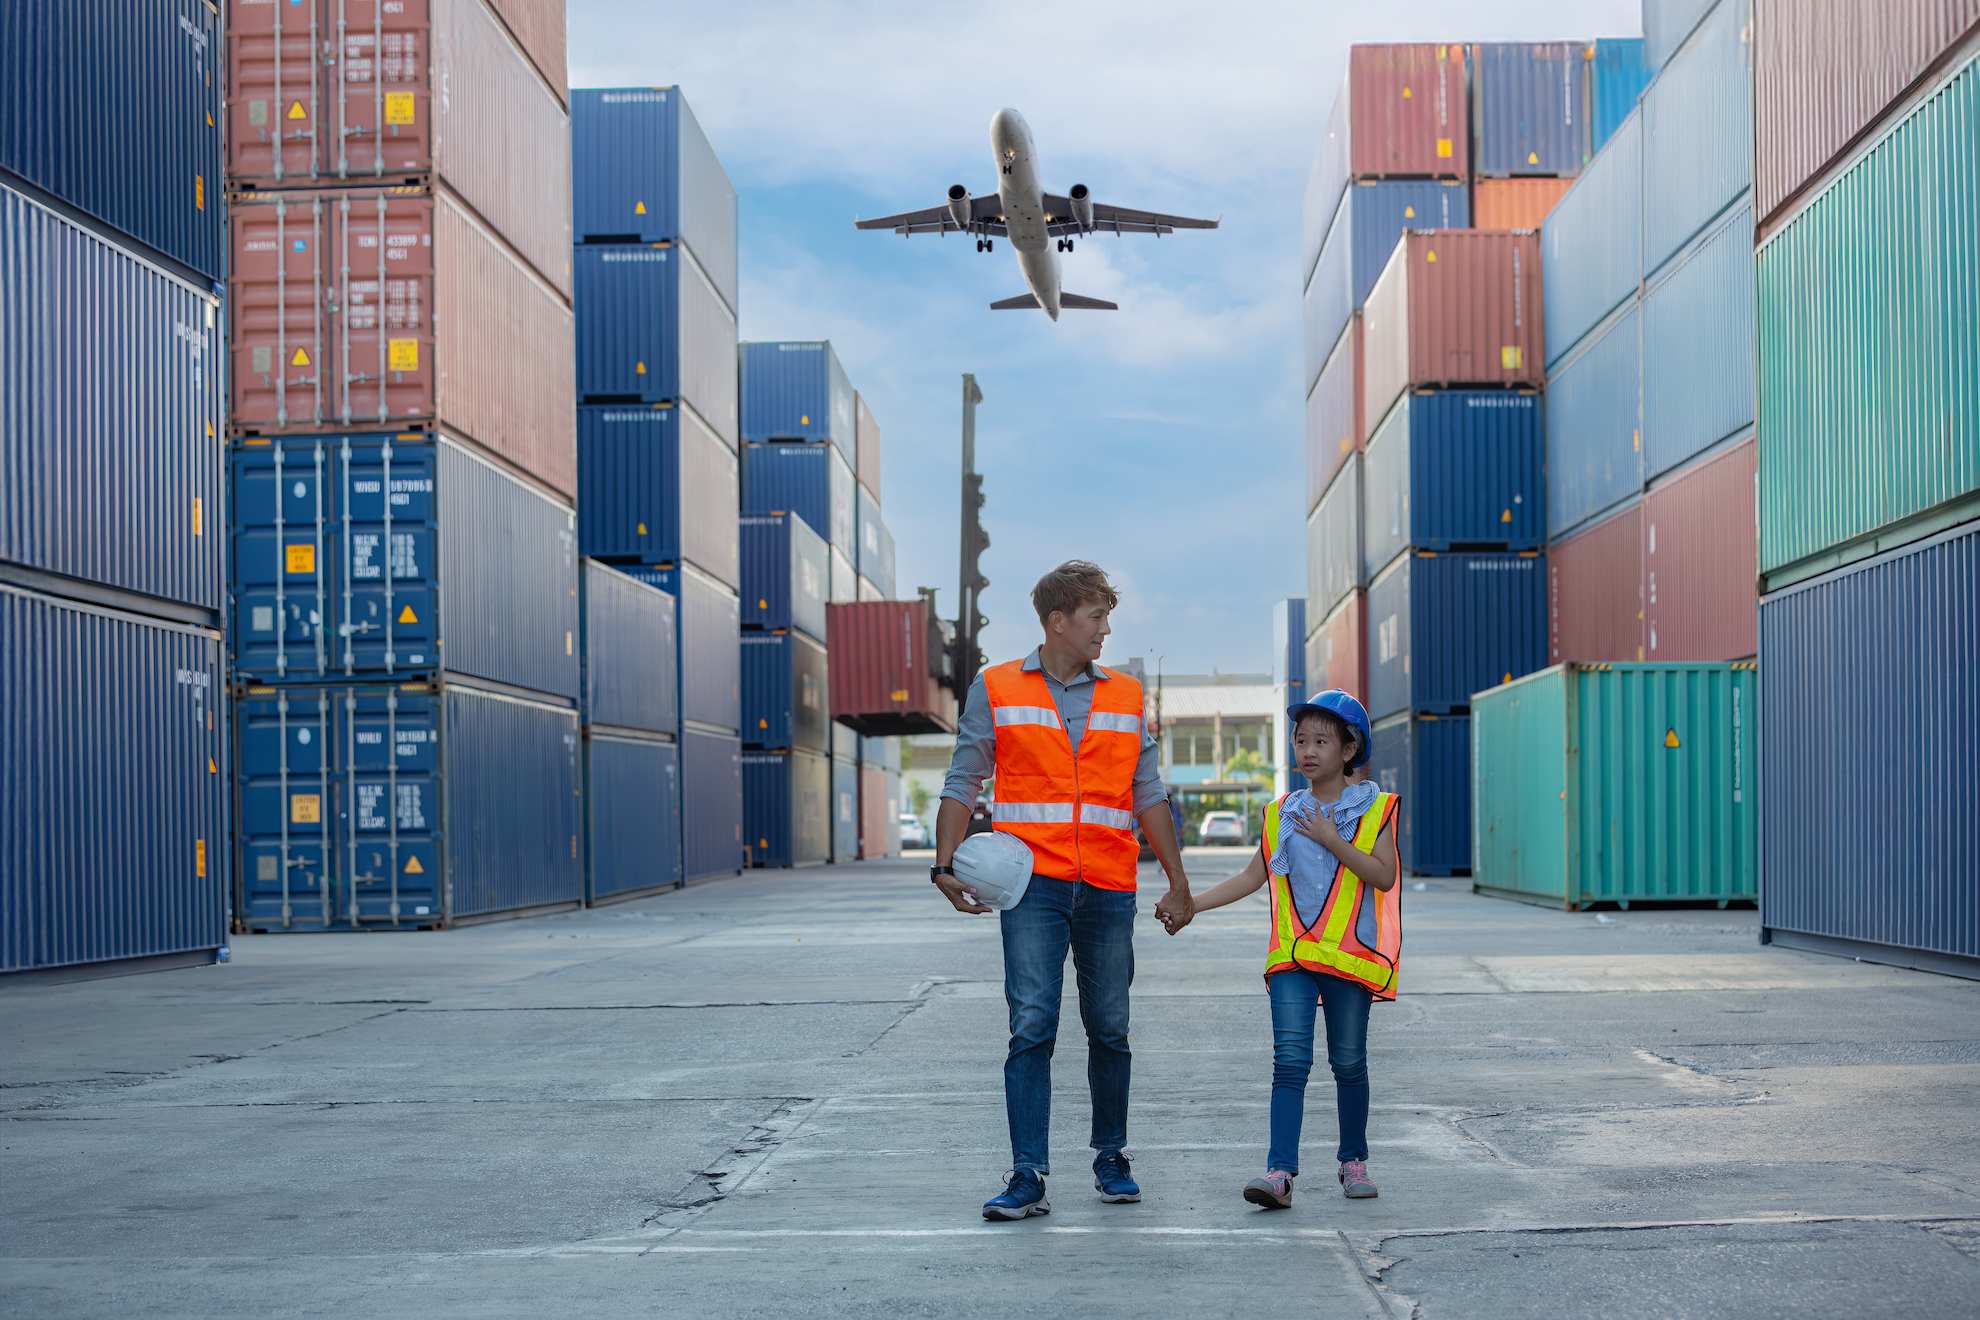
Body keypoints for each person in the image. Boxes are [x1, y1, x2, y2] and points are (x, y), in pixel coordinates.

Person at [930, 560, 1193, 1221]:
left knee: (1109, 1028)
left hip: (1107, 884)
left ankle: (1111, 1157)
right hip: (1031, 889)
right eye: (1096, 617)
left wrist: (1178, 881)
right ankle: (1027, 1175)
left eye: (1107, 617)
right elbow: (964, 780)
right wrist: (942, 865)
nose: (1106, 630)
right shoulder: (995, 687)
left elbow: (1148, 794)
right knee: (1032, 1027)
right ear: (1057, 621)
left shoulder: (1127, 696)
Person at [1163, 690, 1401, 1208]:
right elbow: (1253, 877)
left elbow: (1382, 876)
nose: (1308, 750)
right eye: (1300, 740)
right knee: (1289, 1063)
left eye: (1321, 740)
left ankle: (1352, 1162)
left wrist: (1332, 837)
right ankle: (1279, 1174)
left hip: (1348, 961)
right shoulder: (1281, 814)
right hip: (1292, 959)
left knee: (1349, 1062)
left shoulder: (1375, 809)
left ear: (1349, 747)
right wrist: (1191, 906)